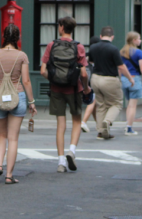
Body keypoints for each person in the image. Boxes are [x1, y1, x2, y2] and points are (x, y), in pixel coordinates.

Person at [0, 24, 37, 182]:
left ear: (4, 36)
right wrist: (31, 101)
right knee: (13, 138)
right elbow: (25, 81)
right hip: (17, 96)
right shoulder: (22, 56)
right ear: (18, 37)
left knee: (1, 135)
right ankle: (9, 175)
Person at [40, 17, 90, 172]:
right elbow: (83, 73)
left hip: (56, 90)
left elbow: (42, 71)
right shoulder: (79, 47)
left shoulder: (51, 45)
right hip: (74, 89)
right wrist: (86, 88)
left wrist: (54, 80)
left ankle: (61, 162)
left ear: (61, 27)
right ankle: (71, 151)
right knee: (76, 121)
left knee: (60, 125)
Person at [89, 26, 134, 140]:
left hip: (95, 78)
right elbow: (121, 66)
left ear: (100, 36)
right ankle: (107, 121)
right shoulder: (113, 49)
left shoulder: (93, 47)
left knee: (100, 104)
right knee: (117, 103)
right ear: (112, 36)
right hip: (109, 79)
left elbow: (91, 60)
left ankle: (100, 131)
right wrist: (130, 78)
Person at [120, 32, 142, 135]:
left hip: (124, 79)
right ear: (134, 40)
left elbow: (120, 67)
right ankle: (129, 127)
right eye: (139, 39)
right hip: (135, 79)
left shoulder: (122, 52)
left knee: (129, 104)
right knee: (133, 105)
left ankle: (127, 124)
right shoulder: (139, 52)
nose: (140, 41)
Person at [81, 36, 101, 133]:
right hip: (95, 79)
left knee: (94, 102)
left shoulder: (86, 55)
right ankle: (83, 122)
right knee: (93, 101)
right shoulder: (99, 54)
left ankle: (99, 124)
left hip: (85, 79)